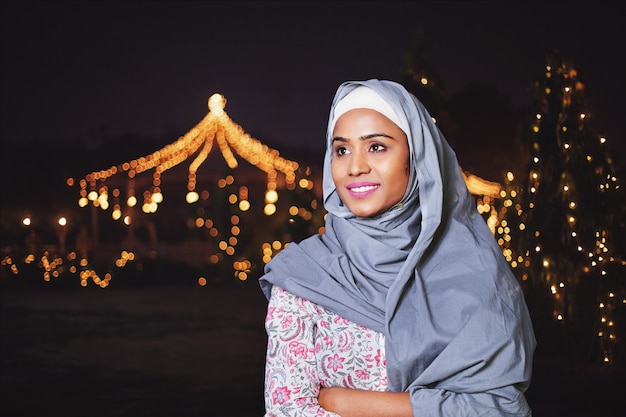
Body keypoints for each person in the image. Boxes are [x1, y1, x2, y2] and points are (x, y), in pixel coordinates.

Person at [259, 79, 536, 416]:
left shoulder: (479, 275)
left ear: (416, 158)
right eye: (341, 149)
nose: (355, 166)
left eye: (376, 146)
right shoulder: (304, 274)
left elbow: (500, 408)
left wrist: (343, 400)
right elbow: (288, 410)